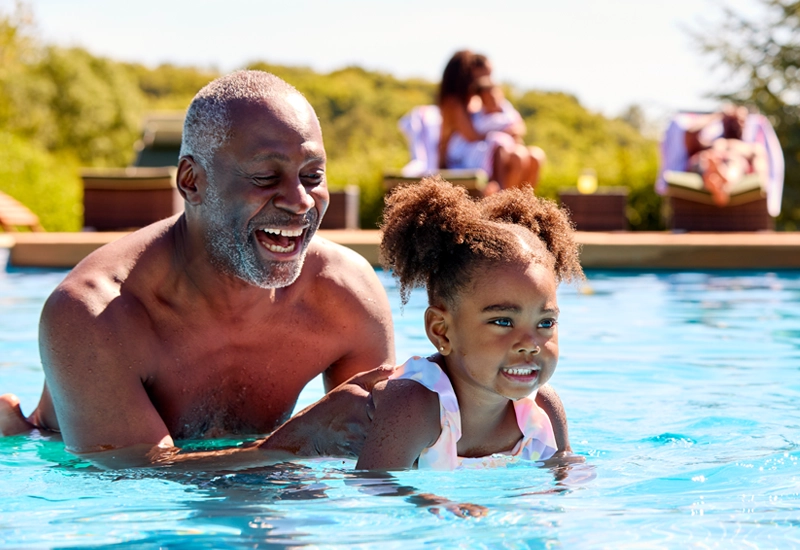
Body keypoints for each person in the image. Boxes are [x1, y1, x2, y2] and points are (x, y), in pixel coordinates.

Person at [0, 70, 397, 469]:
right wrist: (295, 446)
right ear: (192, 182)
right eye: (265, 177)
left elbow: (383, 460)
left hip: (247, 474)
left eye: (312, 176)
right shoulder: (95, 310)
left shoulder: (346, 293)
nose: (300, 201)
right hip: (74, 467)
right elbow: (130, 478)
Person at [356, 176, 584, 470]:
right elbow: (372, 485)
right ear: (442, 331)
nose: (530, 344)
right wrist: (436, 504)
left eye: (545, 323)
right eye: (503, 321)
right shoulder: (415, 405)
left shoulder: (543, 408)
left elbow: (566, 470)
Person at [438, 51, 544, 194]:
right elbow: (473, 136)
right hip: (463, 161)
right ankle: (503, 205)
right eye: (485, 74)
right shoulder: (455, 104)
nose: (490, 80)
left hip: (484, 151)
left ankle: (522, 204)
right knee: (515, 156)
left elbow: (515, 124)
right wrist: (504, 131)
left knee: (535, 156)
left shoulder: (483, 100)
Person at [684, 104, 768, 206]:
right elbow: (690, 132)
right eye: (731, 120)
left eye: (741, 120)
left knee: (734, 162)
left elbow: (760, 177)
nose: (737, 122)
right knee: (704, 159)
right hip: (706, 161)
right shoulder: (710, 142)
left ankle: (720, 179)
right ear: (723, 122)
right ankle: (719, 181)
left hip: (734, 165)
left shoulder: (750, 148)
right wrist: (717, 115)